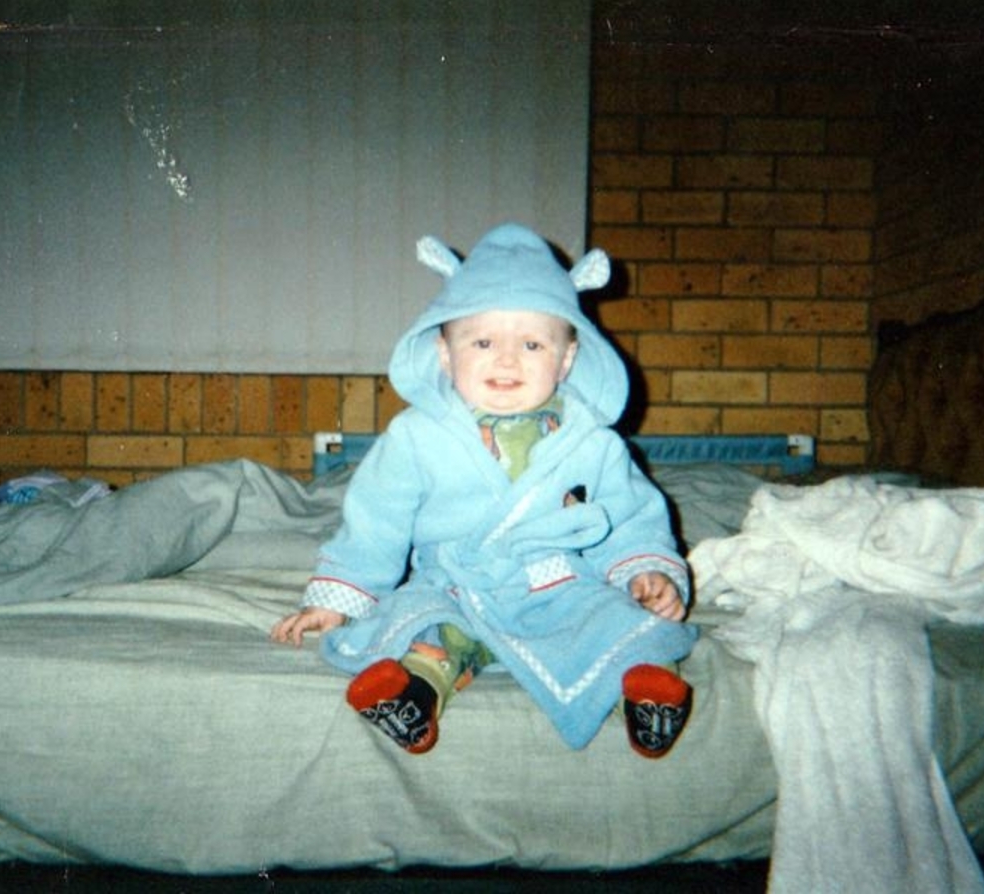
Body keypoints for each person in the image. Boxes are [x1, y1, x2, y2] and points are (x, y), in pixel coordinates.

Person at [271, 223, 698, 758]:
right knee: (420, 625)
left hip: (559, 586)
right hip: (457, 583)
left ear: (566, 358)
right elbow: (375, 525)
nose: (507, 359)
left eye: (532, 344)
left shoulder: (593, 443)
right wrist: (338, 598)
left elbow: (630, 520)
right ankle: (415, 696)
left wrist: (647, 573)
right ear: (445, 353)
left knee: (619, 624)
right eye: (483, 342)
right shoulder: (414, 437)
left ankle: (645, 696)